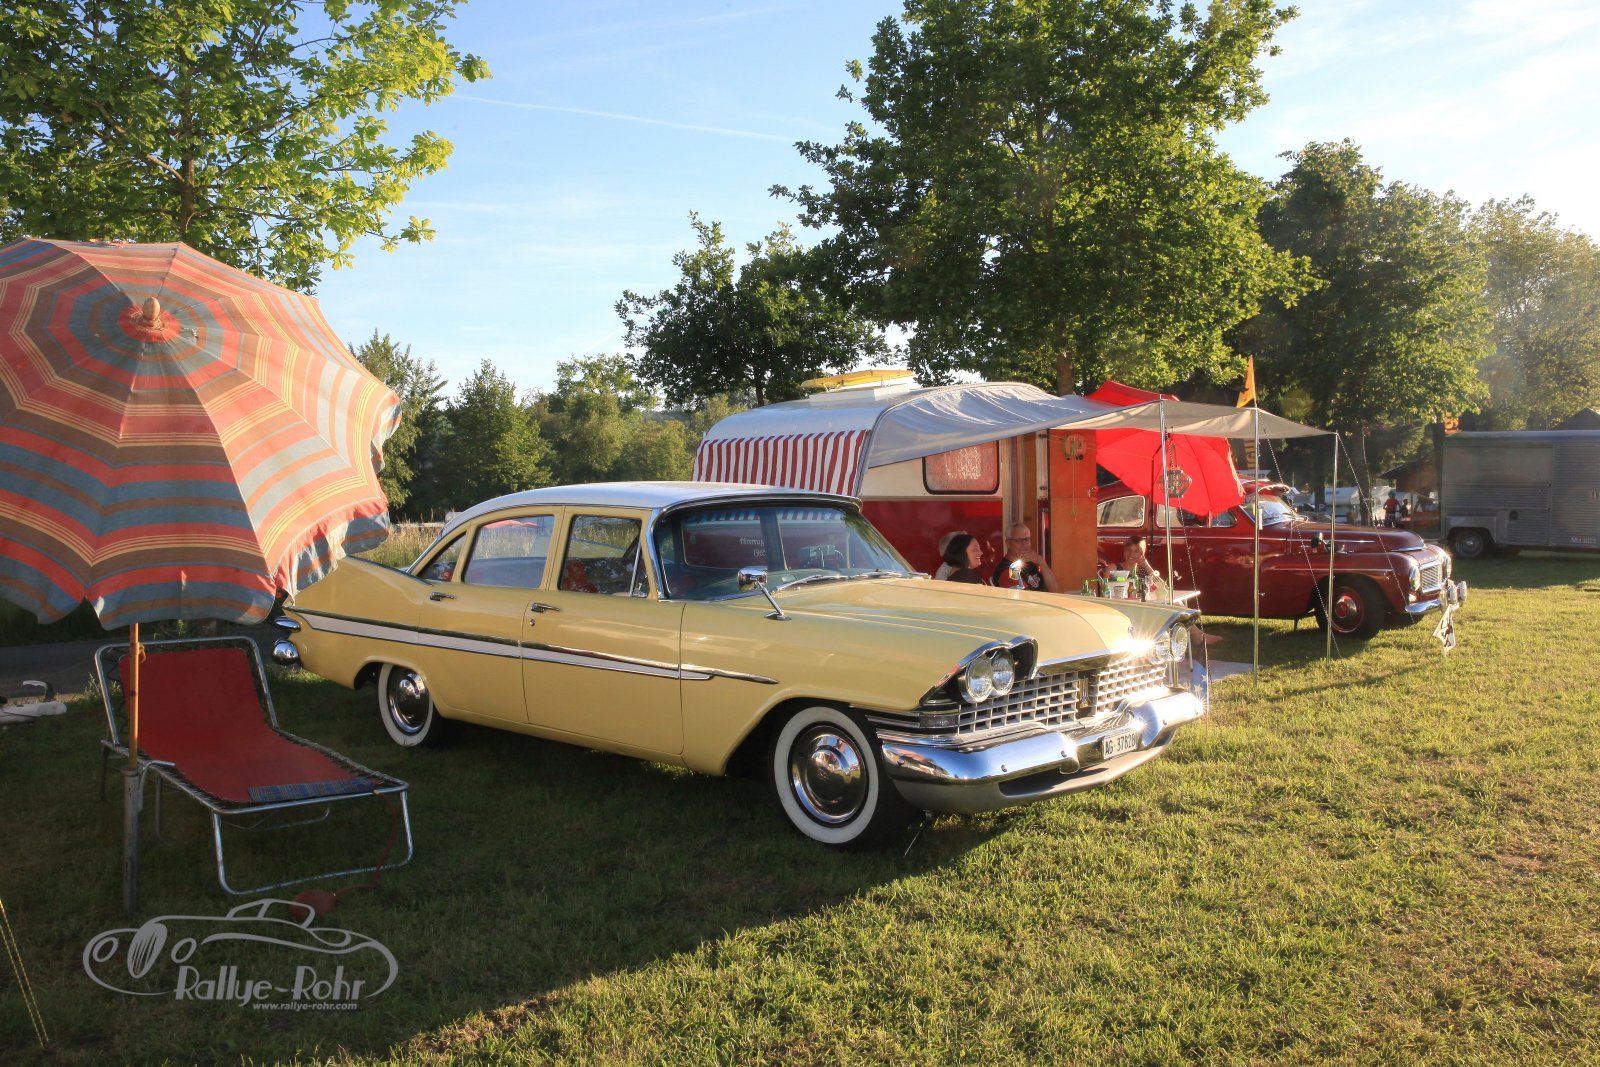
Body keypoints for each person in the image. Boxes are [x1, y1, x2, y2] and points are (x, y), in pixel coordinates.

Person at [991, 522, 1059, 592]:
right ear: (1008, 543)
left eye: (1027, 539)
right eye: (1019, 540)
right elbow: (1024, 596)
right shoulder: (1007, 570)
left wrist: (1042, 562)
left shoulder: (1031, 564)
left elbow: (1053, 589)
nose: (1024, 544)